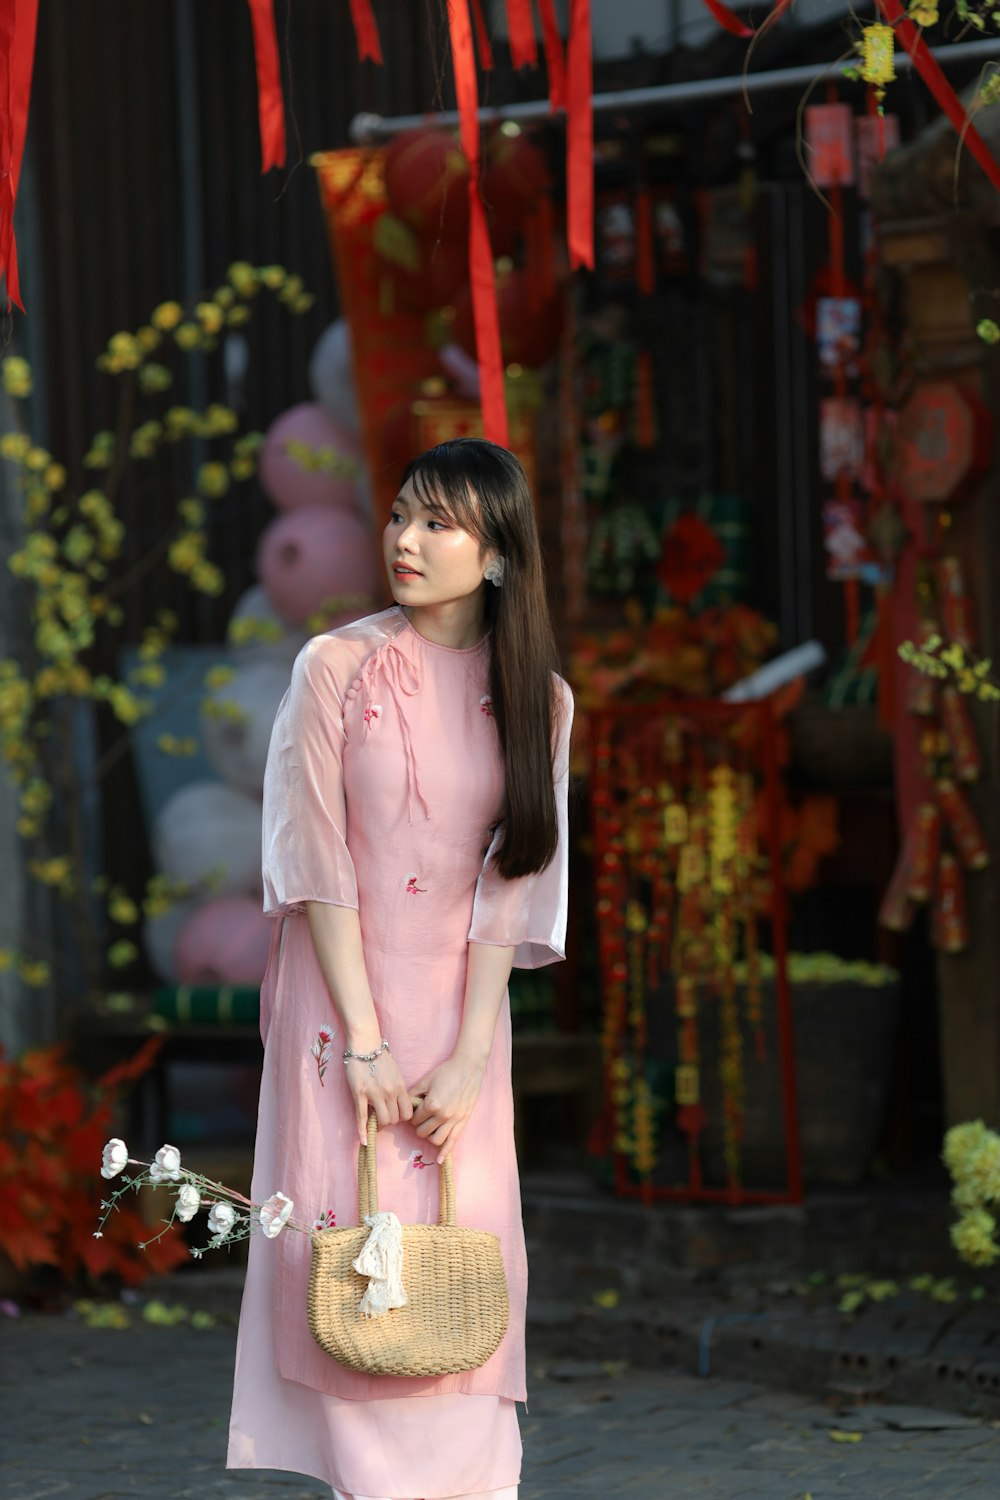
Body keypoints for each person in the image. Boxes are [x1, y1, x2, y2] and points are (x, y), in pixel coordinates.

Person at [228, 438, 573, 1500]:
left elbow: (511, 885)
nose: (406, 542)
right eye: (399, 517)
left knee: (461, 1257)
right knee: (350, 1250)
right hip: (342, 1011)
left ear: (501, 553)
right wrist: (364, 1041)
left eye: (438, 523)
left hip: (461, 1016)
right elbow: (312, 860)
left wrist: (469, 1053)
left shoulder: (540, 701)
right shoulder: (333, 666)